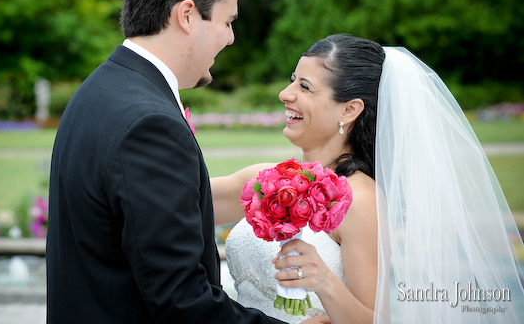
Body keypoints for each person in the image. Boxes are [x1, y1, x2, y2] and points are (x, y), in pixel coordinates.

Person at [46, 0, 326, 324]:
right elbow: (181, 300)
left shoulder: (100, 89)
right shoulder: (150, 123)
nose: (230, 38)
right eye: (227, 22)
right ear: (188, 15)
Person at [213, 34, 524, 323]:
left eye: (304, 87)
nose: (285, 93)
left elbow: (376, 319)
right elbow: (185, 199)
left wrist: (323, 280)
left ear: (349, 109)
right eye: (292, 81)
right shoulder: (263, 180)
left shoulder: (359, 200)